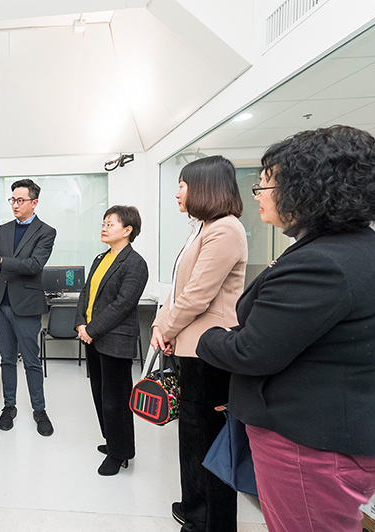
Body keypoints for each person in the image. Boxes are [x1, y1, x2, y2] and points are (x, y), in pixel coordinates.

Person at [194, 126, 375, 531]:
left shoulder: (323, 262)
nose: (259, 195)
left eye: (265, 184)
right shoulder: (353, 245)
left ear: (307, 187)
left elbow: (253, 351)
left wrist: (206, 337)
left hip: (309, 447)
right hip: (322, 432)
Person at [151, 155, 248, 531]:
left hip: (212, 355)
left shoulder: (226, 230)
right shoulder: (203, 228)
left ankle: (213, 522)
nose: (177, 193)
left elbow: (197, 296)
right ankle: (194, 512)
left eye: (182, 185)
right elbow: (179, 292)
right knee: (192, 437)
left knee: (210, 444)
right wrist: (163, 326)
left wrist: (168, 329)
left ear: (205, 187)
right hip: (192, 350)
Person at [0, 178, 57, 436]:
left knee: (31, 362)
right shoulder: (5, 229)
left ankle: (39, 410)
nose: (15, 205)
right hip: (1, 304)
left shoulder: (46, 232)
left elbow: (33, 266)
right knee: (7, 360)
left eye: (20, 200)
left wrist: (0, 258)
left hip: (27, 306)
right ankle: (9, 406)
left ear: (34, 202)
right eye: (13, 200)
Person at [72, 205, 148, 476]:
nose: (104, 227)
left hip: (114, 339)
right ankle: (113, 441)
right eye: (103, 222)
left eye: (111, 224)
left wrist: (91, 330)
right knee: (100, 395)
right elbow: (86, 293)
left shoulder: (135, 263)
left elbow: (122, 305)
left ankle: (120, 453)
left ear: (127, 230)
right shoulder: (100, 258)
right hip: (93, 337)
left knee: (116, 399)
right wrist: (81, 323)